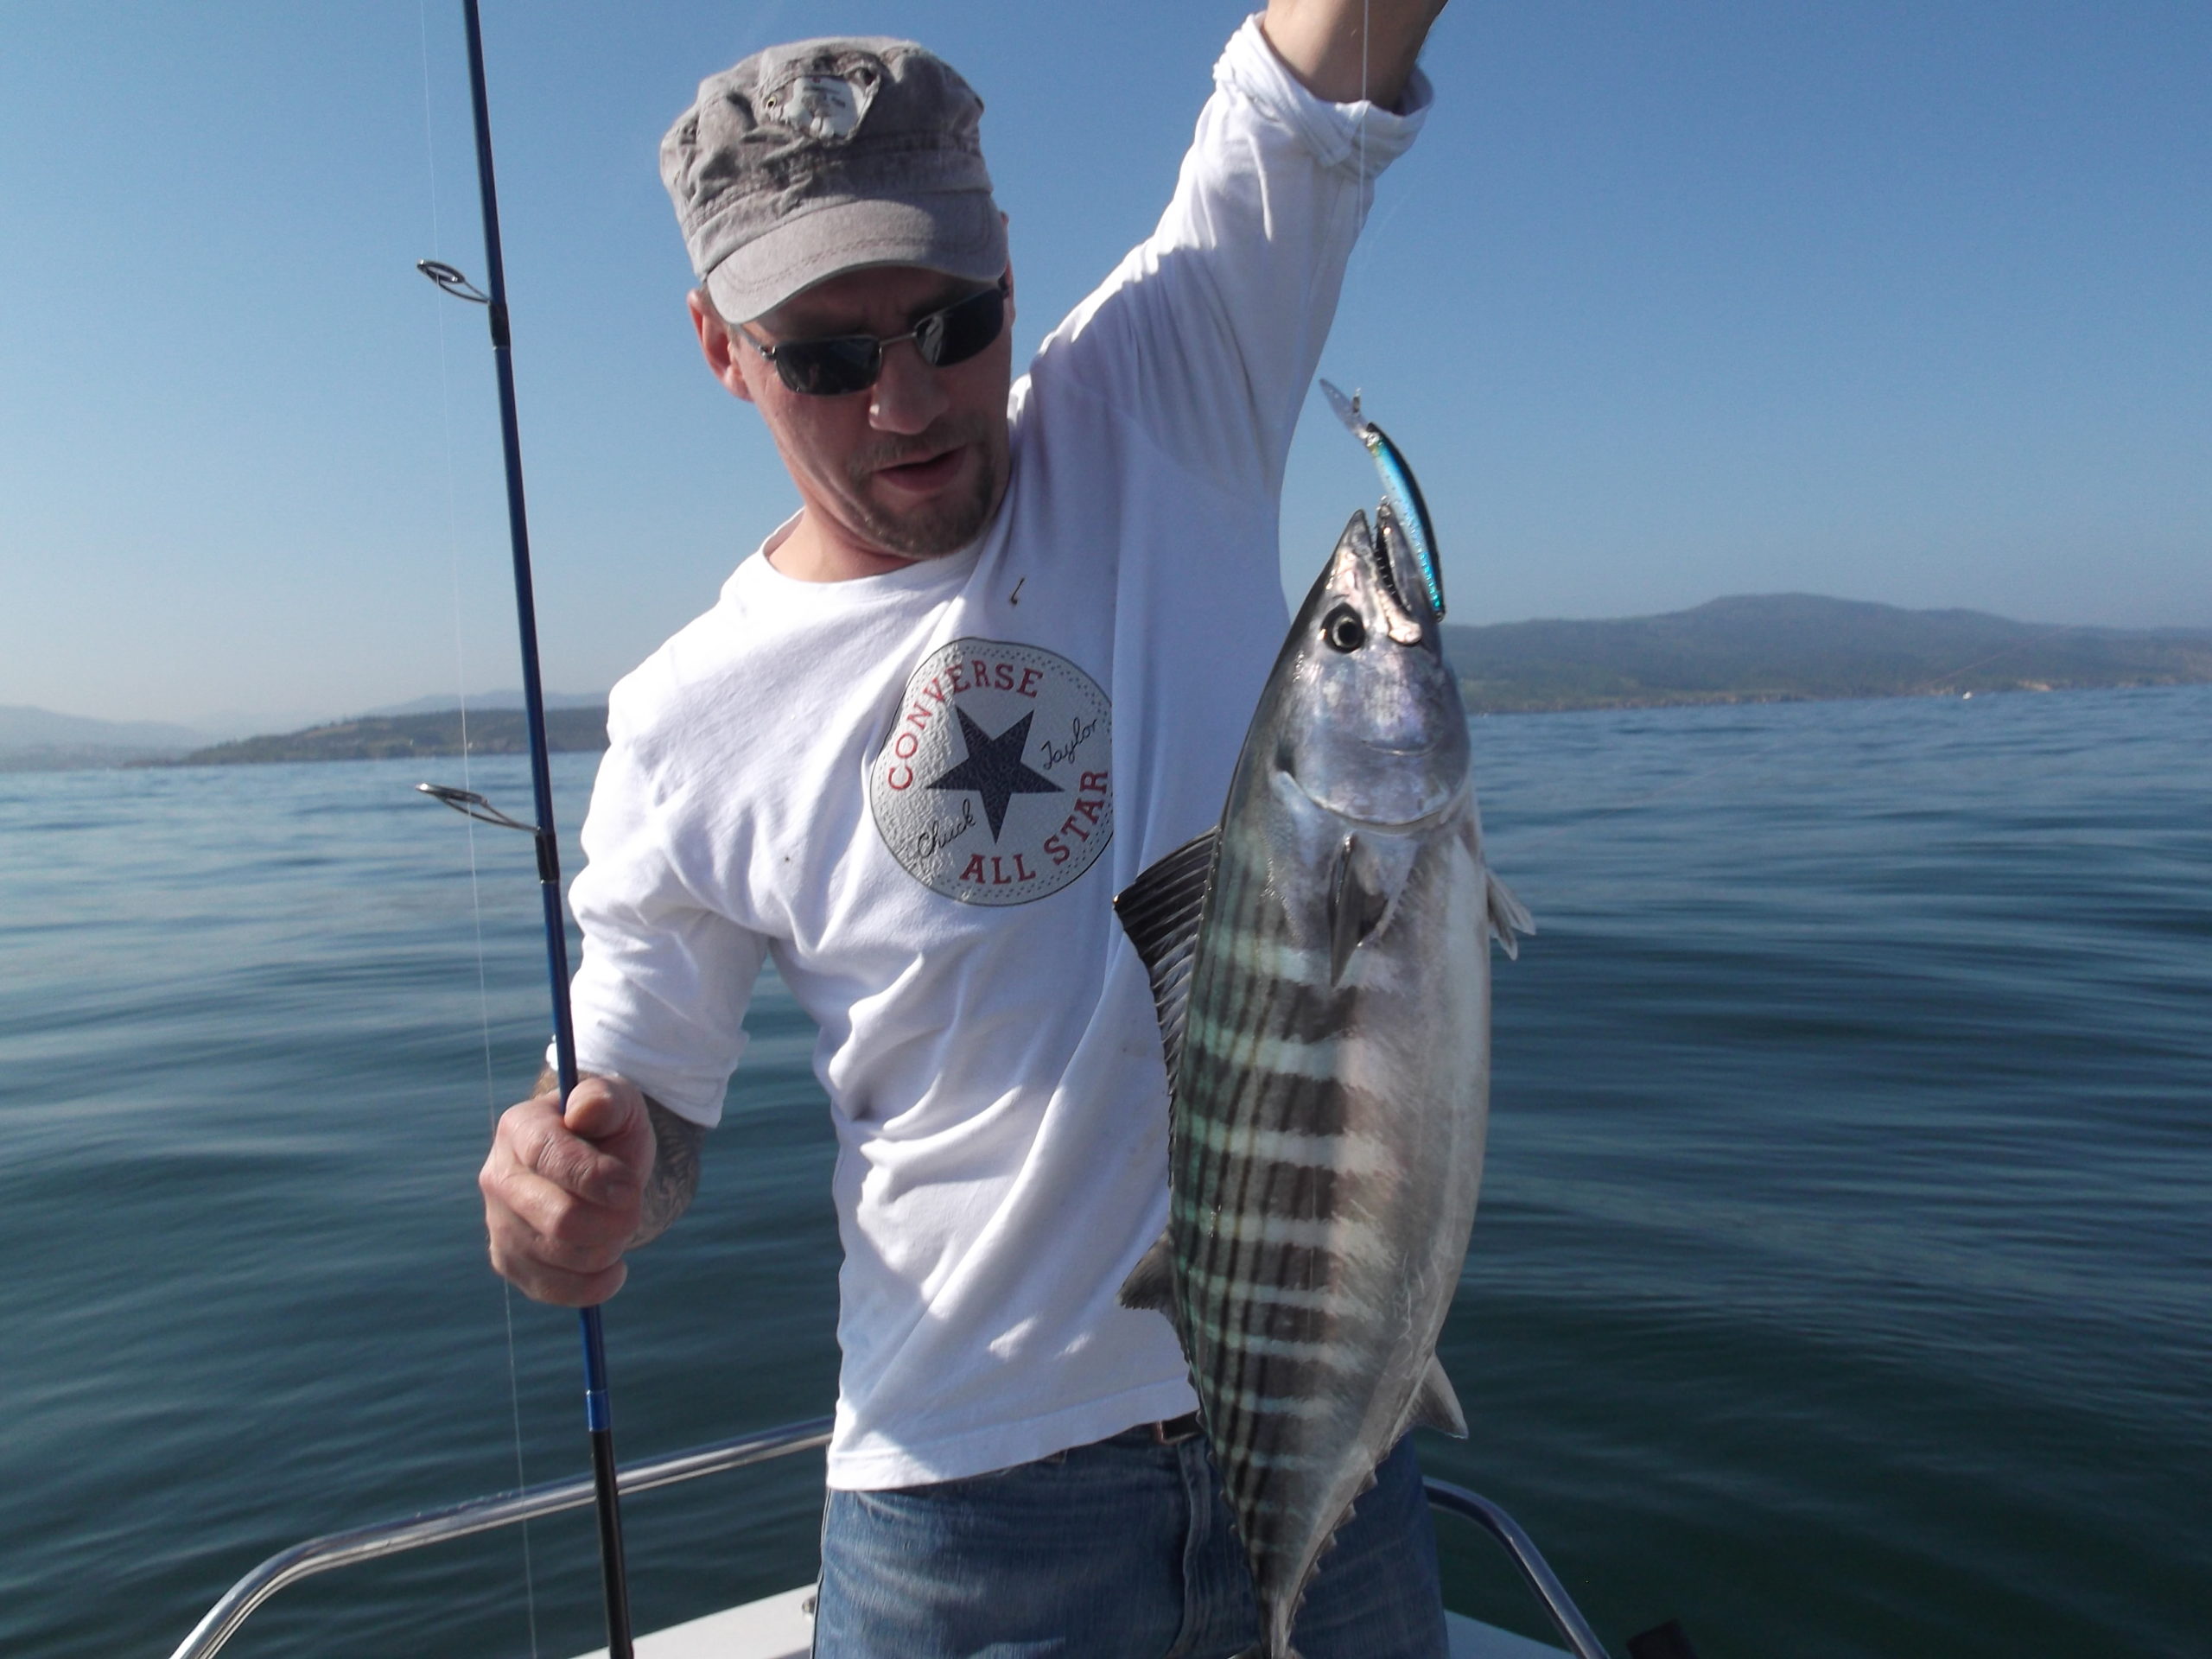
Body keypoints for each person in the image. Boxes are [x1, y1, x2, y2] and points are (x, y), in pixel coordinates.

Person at [479, 4, 1451, 1653]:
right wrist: (579, 1190)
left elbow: (1314, 64)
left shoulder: (1162, 391)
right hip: (968, 1511)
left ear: (1013, 272)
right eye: (828, 356)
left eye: (955, 320)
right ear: (721, 347)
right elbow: (650, 1109)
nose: (909, 398)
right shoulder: (683, 725)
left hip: (1321, 1412)